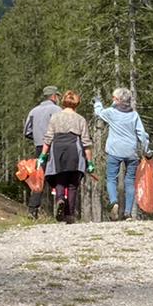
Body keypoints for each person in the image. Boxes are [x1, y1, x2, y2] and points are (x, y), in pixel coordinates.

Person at [93, 88, 152, 220]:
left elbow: (99, 112)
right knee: (130, 182)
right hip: (131, 152)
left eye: (114, 98)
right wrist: (147, 152)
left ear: (118, 100)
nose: (112, 100)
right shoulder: (134, 115)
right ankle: (128, 213)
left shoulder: (111, 112)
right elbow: (142, 135)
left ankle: (114, 202)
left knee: (111, 178)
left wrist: (97, 102)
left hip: (114, 151)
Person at [38, 90, 94, 222]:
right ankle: (69, 214)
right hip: (74, 149)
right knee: (73, 183)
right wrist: (90, 162)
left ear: (64, 102)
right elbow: (86, 142)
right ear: (77, 103)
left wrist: (43, 156)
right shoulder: (80, 119)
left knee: (60, 178)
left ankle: (60, 199)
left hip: (58, 149)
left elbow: (48, 138)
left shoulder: (55, 117)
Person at [22, 85, 61, 219]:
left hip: (40, 147)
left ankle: (33, 210)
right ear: (54, 96)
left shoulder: (33, 111)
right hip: (55, 146)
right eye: (58, 96)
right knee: (59, 174)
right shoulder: (57, 110)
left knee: (39, 177)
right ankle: (61, 202)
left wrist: (38, 137)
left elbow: (27, 131)